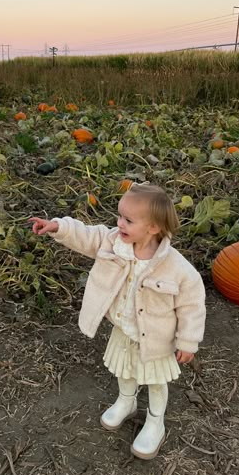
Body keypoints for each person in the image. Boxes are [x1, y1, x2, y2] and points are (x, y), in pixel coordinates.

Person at [29, 183, 206, 460]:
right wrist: (57, 227)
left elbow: (192, 305)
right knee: (124, 369)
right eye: (120, 216)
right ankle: (126, 401)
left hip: (156, 339)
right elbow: (88, 235)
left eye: (128, 220)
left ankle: (155, 421)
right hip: (124, 330)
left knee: (155, 381)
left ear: (153, 228)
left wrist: (188, 341)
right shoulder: (113, 242)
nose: (119, 223)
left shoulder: (178, 268)